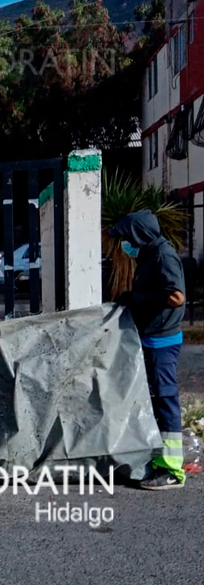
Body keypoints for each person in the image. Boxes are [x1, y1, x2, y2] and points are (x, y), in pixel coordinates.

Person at [109, 210, 187, 490]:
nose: (124, 244)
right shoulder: (148, 253)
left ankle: (171, 470)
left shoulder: (163, 255)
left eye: (126, 237)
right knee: (154, 399)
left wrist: (138, 299)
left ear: (138, 234)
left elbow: (176, 296)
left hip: (162, 341)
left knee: (165, 399)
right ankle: (155, 460)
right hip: (152, 337)